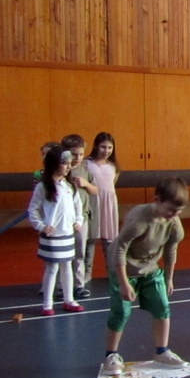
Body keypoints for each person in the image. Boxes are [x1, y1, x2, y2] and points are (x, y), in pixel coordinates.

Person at [101, 178, 190, 376]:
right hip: (125, 268)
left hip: (150, 268)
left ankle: (162, 351)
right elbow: (119, 250)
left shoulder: (173, 223)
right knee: (121, 312)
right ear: (157, 200)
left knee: (162, 306)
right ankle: (111, 355)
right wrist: (123, 283)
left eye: (179, 211)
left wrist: (168, 278)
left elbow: (171, 250)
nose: (174, 215)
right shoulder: (139, 221)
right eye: (171, 210)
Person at [28, 146, 84, 316]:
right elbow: (33, 208)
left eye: (69, 163)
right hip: (52, 235)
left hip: (67, 234)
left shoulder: (69, 186)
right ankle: (47, 303)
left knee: (67, 266)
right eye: (64, 163)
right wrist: (41, 226)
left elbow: (78, 206)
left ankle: (69, 300)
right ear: (54, 164)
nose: (68, 167)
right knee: (52, 268)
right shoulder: (43, 186)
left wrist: (78, 221)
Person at [62, 134, 98, 300]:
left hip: (81, 217)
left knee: (79, 253)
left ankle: (79, 285)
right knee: (63, 254)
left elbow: (95, 190)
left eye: (81, 154)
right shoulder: (62, 170)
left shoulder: (85, 170)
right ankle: (62, 286)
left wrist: (86, 184)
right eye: (74, 154)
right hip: (63, 219)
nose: (78, 158)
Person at [86, 132, 120, 278]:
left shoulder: (113, 166)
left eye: (109, 148)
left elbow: (111, 185)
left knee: (109, 240)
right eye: (103, 147)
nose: (106, 151)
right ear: (96, 146)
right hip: (93, 204)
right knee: (90, 240)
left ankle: (112, 273)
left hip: (109, 205)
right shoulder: (87, 164)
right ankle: (86, 274)